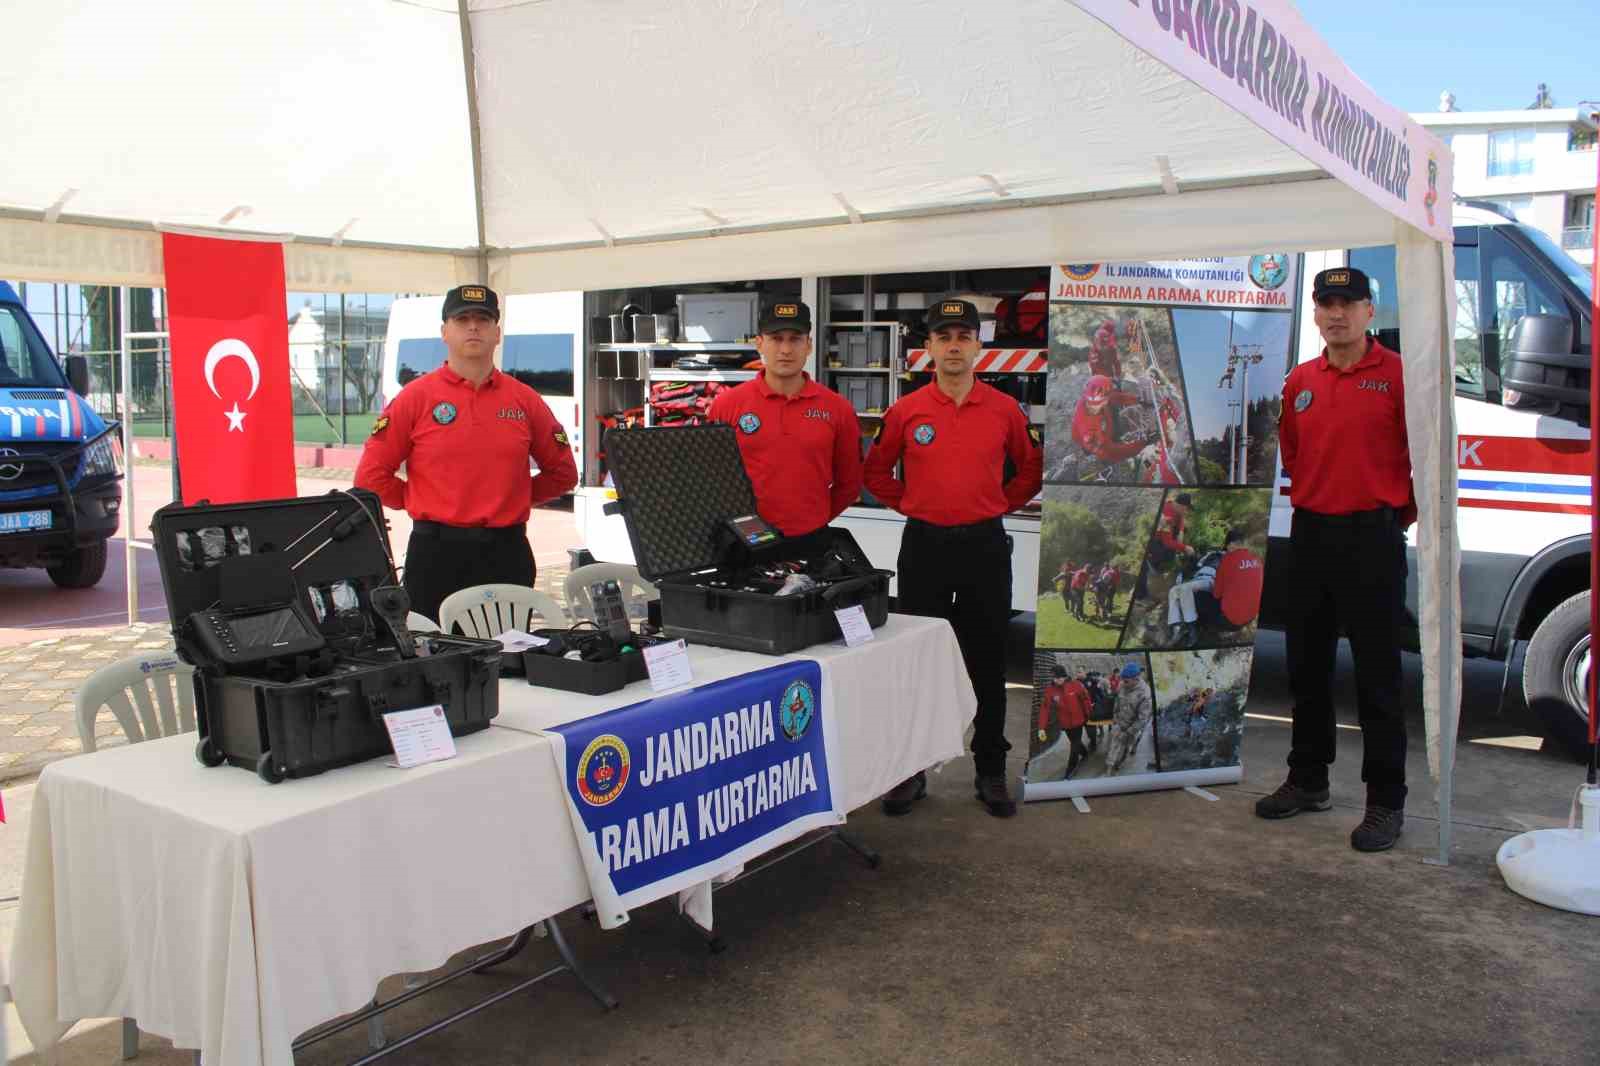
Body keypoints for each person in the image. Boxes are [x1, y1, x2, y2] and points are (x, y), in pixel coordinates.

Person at [1254, 266, 1416, 853]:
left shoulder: (1401, 377)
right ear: (1316, 313)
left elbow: (1426, 460)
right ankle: (1308, 779)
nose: (1336, 313)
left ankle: (1385, 802)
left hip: (1373, 539)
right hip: (1312, 537)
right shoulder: (1300, 381)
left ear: (1371, 311)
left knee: (1378, 678)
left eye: (1349, 303)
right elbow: (1294, 457)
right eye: (1326, 303)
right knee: (1307, 670)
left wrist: (1390, 516)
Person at [866, 299, 1043, 818]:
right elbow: (875, 473)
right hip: (925, 547)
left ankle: (990, 769)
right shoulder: (906, 411)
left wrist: (995, 505)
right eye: (943, 337)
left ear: (977, 346)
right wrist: (915, 506)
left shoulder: (1004, 409)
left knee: (987, 659)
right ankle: (910, 772)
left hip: (984, 547)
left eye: (963, 336)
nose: (954, 346)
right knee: (918, 659)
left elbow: (1030, 469)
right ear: (928, 349)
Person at [355, 284, 578, 623]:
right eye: (462, 319)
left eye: (483, 319)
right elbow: (371, 477)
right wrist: (421, 500)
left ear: (497, 333)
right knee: (436, 661)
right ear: (444, 331)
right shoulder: (415, 398)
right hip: (435, 555)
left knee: (508, 659)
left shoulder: (525, 400)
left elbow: (563, 474)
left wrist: (509, 498)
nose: (473, 327)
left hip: (506, 553)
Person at [707, 300, 862, 551]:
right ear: (759, 343)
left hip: (812, 541)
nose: (786, 349)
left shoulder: (838, 409)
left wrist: (813, 519)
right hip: (744, 543)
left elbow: (850, 483)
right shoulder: (727, 405)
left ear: (809, 345)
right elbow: (711, 480)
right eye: (777, 338)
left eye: (795, 339)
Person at [1166, 527, 1245, 646]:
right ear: (1227, 544)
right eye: (1233, 543)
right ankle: (1178, 627)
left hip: (1212, 581)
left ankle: (1189, 630)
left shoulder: (1234, 559)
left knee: (1183, 589)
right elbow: (1195, 565)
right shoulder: (1211, 554)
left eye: (1238, 544)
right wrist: (1183, 574)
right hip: (1198, 579)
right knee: (1175, 591)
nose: (1235, 547)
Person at [1072, 375, 1145, 465]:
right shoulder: (1090, 434)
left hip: (1102, 431)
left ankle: (1113, 438)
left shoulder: (1090, 399)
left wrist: (1137, 400)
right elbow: (1111, 453)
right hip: (1098, 447)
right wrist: (1142, 444)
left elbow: (1114, 397)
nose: (1108, 399)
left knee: (1110, 426)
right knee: (1108, 459)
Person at [1135, 492, 1195, 600]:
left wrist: (1181, 532)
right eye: (1186, 509)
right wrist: (1184, 547)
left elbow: (1180, 520)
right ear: (1181, 506)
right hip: (1154, 542)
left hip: (1162, 539)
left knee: (1172, 549)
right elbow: (1167, 542)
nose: (1186, 512)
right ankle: (1143, 592)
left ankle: (1158, 566)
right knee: (1164, 552)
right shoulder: (1166, 517)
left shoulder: (1173, 505)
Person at [1037, 665, 1092, 779]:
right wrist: (1041, 727)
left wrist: (1088, 715)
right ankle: (1085, 753)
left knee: (1074, 745)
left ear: (1064, 676)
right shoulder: (1050, 690)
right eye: (1054, 678)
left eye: (1059, 678)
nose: (1056, 680)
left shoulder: (1076, 685)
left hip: (1078, 722)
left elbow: (1085, 699)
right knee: (1074, 742)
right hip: (1065, 724)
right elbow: (1045, 708)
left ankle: (1070, 770)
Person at [1103, 662, 1153, 774]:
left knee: (1125, 747)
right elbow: (1117, 702)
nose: (1123, 683)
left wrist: (1128, 732)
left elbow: (1142, 719)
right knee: (1114, 745)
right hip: (1120, 723)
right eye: (1122, 680)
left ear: (1136, 679)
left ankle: (1119, 763)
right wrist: (1115, 718)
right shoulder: (1122, 685)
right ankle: (1109, 768)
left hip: (1133, 728)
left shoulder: (1145, 693)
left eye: (1126, 681)